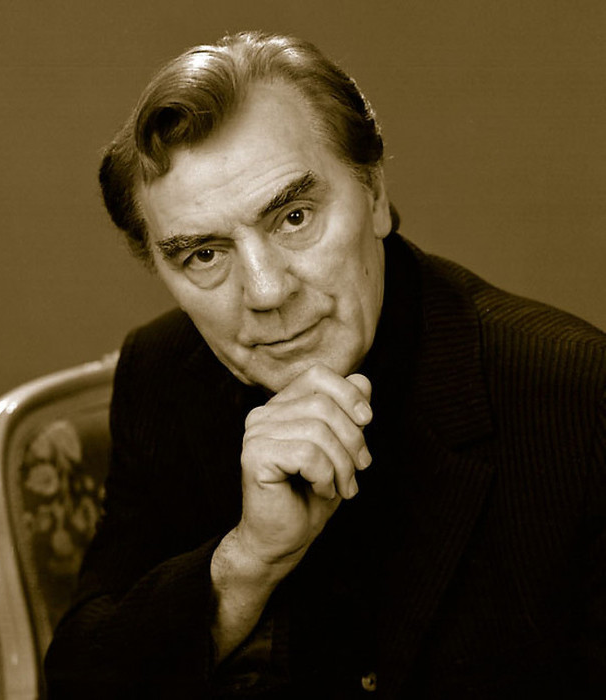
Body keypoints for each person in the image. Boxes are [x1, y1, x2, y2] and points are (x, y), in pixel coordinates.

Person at [44, 31, 605, 699]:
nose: (266, 291)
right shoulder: (162, 373)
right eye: (204, 255)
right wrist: (248, 561)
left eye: (294, 217)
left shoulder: (572, 392)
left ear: (374, 194)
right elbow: (79, 682)